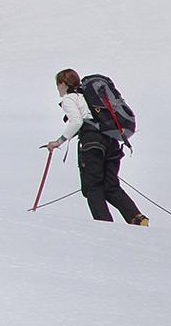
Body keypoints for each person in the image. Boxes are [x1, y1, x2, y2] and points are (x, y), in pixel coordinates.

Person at [48, 69, 148, 225]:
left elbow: (77, 122)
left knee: (92, 187)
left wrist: (59, 141)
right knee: (111, 186)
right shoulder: (88, 96)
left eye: (58, 84)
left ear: (63, 83)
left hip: (91, 144)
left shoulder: (70, 99)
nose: (57, 88)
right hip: (111, 141)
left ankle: (104, 225)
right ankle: (136, 217)